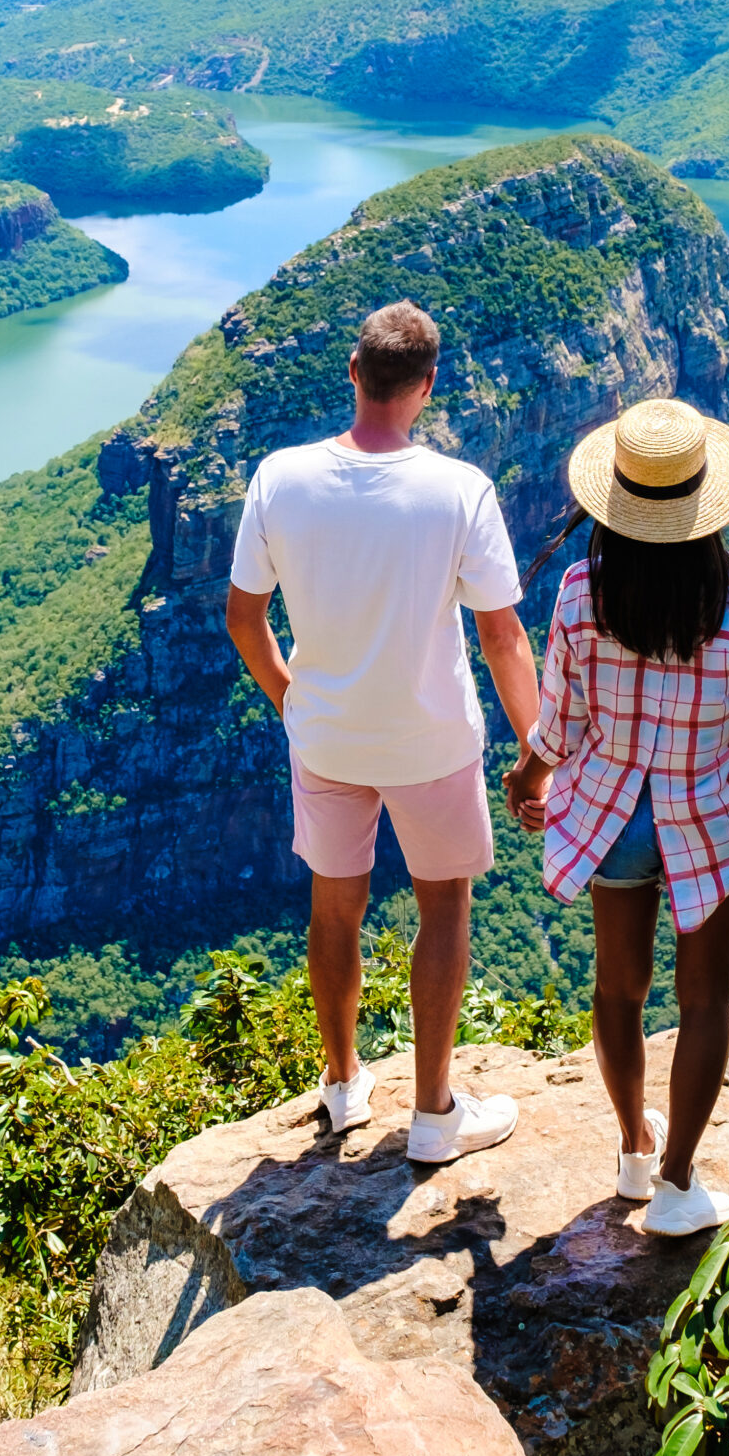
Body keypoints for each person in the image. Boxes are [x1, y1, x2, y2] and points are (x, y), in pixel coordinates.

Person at [225, 299, 543, 1164]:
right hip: (431, 737)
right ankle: (435, 1114)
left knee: (335, 907)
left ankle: (341, 1083)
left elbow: (243, 617)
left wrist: (291, 698)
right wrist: (537, 750)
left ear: (355, 374)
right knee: (443, 906)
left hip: (325, 736)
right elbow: (502, 636)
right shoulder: (459, 490)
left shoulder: (279, 478)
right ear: (428, 387)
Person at [504, 397, 729, 1235]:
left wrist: (527, 774)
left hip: (610, 819)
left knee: (618, 989)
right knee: (705, 999)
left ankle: (634, 1150)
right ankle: (678, 1183)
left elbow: (562, 727)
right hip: (708, 819)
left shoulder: (580, 594)